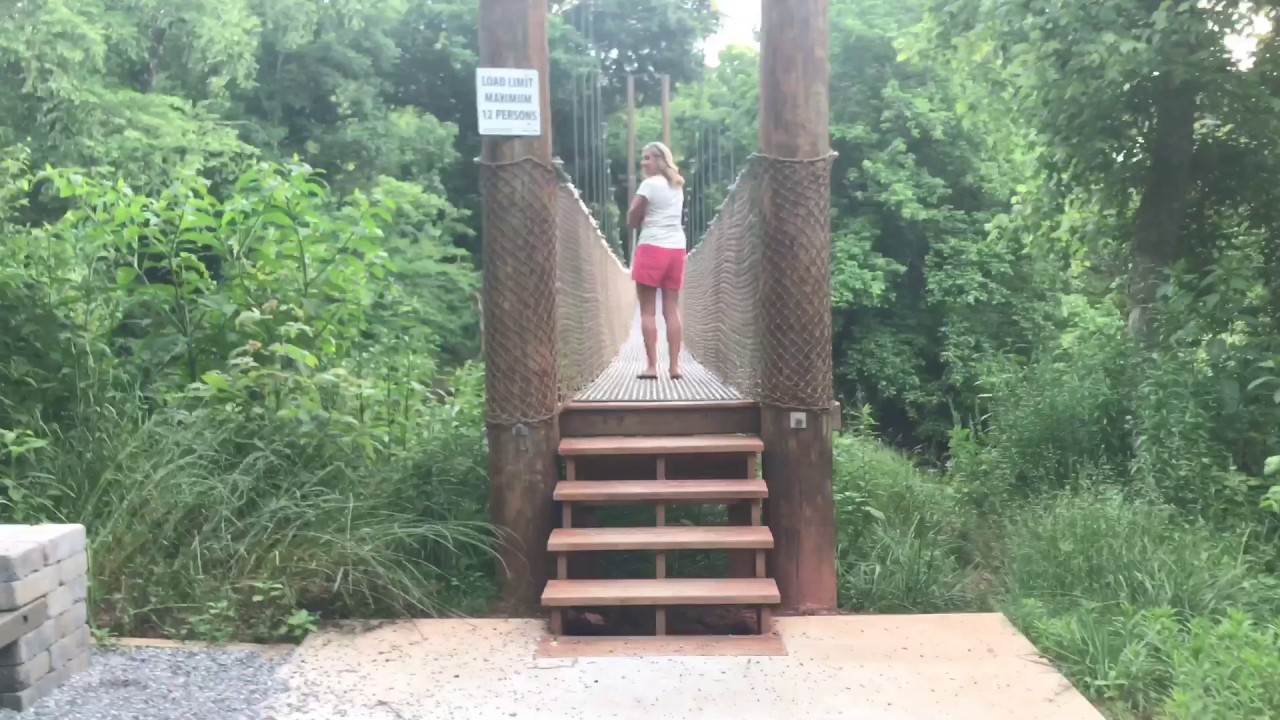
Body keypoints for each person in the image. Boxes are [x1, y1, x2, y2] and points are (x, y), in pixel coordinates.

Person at [627, 141, 687, 381]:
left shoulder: (649, 185)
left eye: (648, 158)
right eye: (643, 158)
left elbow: (633, 213)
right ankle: (674, 367)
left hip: (652, 247)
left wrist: (634, 223)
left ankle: (652, 367)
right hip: (676, 249)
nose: (644, 163)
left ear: (660, 160)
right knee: (671, 309)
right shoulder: (677, 185)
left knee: (647, 311)